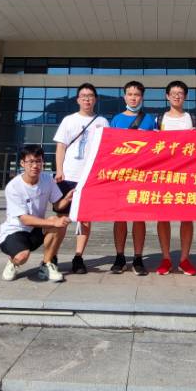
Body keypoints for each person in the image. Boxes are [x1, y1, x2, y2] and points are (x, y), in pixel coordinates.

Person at [54, 83, 109, 274]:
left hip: (89, 177)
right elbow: (61, 147)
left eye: (90, 96)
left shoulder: (102, 121)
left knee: (85, 219)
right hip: (69, 175)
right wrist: (59, 170)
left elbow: (106, 150)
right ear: (78, 99)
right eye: (83, 96)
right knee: (62, 217)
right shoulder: (69, 120)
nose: (87, 99)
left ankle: (78, 257)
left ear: (95, 99)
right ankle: (52, 254)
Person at [0, 144, 73, 282]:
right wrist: (53, 222)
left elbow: (57, 205)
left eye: (39, 161)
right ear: (22, 163)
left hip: (36, 230)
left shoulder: (47, 180)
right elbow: (25, 219)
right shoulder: (14, 187)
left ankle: (46, 264)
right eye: (31, 162)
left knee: (59, 221)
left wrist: (67, 199)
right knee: (22, 256)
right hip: (15, 231)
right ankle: (13, 262)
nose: (35, 165)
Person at [108, 80, 155, 276]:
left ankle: (137, 258)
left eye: (137, 95)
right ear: (124, 96)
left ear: (142, 97)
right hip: (120, 175)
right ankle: (119, 257)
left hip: (142, 176)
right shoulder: (116, 120)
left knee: (139, 217)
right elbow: (109, 149)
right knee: (119, 217)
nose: (133, 98)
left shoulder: (150, 120)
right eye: (130, 94)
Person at [156, 80, 196, 276]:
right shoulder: (159, 119)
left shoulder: (192, 119)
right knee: (162, 217)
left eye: (180, 93)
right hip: (164, 174)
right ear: (167, 96)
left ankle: (184, 259)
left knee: (187, 217)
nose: (176, 96)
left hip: (187, 174)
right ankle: (166, 258)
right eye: (173, 93)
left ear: (185, 96)